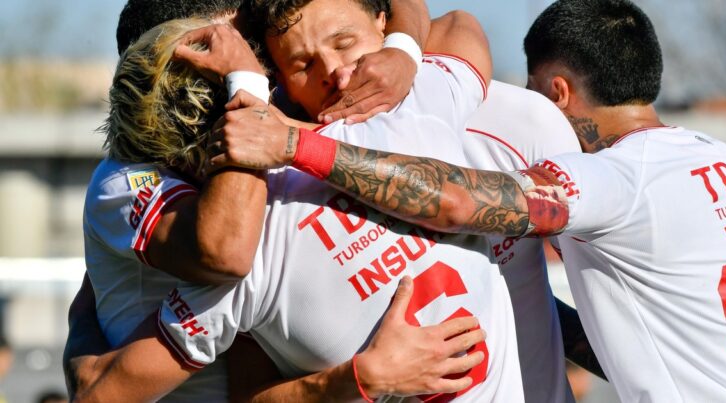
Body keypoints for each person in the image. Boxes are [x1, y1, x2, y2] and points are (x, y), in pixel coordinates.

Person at [224, 0, 726, 401]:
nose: (336, 72)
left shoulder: (594, 169)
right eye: (303, 65)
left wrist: (295, 144)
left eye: (344, 43)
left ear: (554, 93)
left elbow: (459, 201)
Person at [68, 5, 507, 402]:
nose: (255, 62)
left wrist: (402, 54)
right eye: (232, 52)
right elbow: (226, 252)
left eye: (253, 54)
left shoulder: (310, 130)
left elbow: (450, 24)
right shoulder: (128, 180)